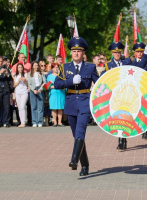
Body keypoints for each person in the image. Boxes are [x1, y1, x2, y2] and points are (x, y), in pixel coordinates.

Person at [54, 37, 99, 176]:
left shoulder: (90, 67)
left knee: (80, 131)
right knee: (77, 135)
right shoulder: (65, 67)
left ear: (83, 53)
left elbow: (98, 84)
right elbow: (57, 84)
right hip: (71, 102)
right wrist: (70, 81)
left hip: (85, 101)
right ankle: (85, 165)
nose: (76, 53)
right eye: (74, 51)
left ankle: (74, 160)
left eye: (79, 51)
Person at [103, 41, 147, 150]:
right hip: (115, 96)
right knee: (117, 117)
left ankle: (123, 139)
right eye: (115, 52)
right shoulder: (108, 65)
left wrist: (146, 55)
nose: (117, 54)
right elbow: (103, 80)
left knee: (125, 117)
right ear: (112, 53)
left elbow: (139, 68)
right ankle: (121, 140)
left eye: (119, 52)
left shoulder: (127, 62)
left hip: (127, 94)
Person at [0, 55, 13, 127]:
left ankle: (7, 122)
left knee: (6, 107)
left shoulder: (6, 68)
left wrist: (7, 74)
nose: (1, 63)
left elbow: (10, 78)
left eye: (2, 61)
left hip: (5, 90)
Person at [28, 61, 46, 127]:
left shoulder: (41, 73)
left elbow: (44, 82)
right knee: (34, 107)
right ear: (32, 66)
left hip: (40, 89)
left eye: (37, 65)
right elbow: (29, 84)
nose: (36, 67)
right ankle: (34, 121)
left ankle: (40, 121)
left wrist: (41, 88)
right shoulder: (30, 74)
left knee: (40, 107)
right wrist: (33, 90)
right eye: (35, 65)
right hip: (33, 90)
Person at [13, 63, 28, 128]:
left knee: (22, 106)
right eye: (19, 67)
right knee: (19, 107)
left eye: (21, 67)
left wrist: (24, 80)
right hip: (17, 92)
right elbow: (14, 85)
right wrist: (18, 81)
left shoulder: (25, 74)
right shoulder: (15, 75)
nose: (20, 69)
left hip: (24, 92)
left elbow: (27, 84)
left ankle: (23, 122)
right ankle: (21, 121)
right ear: (17, 69)